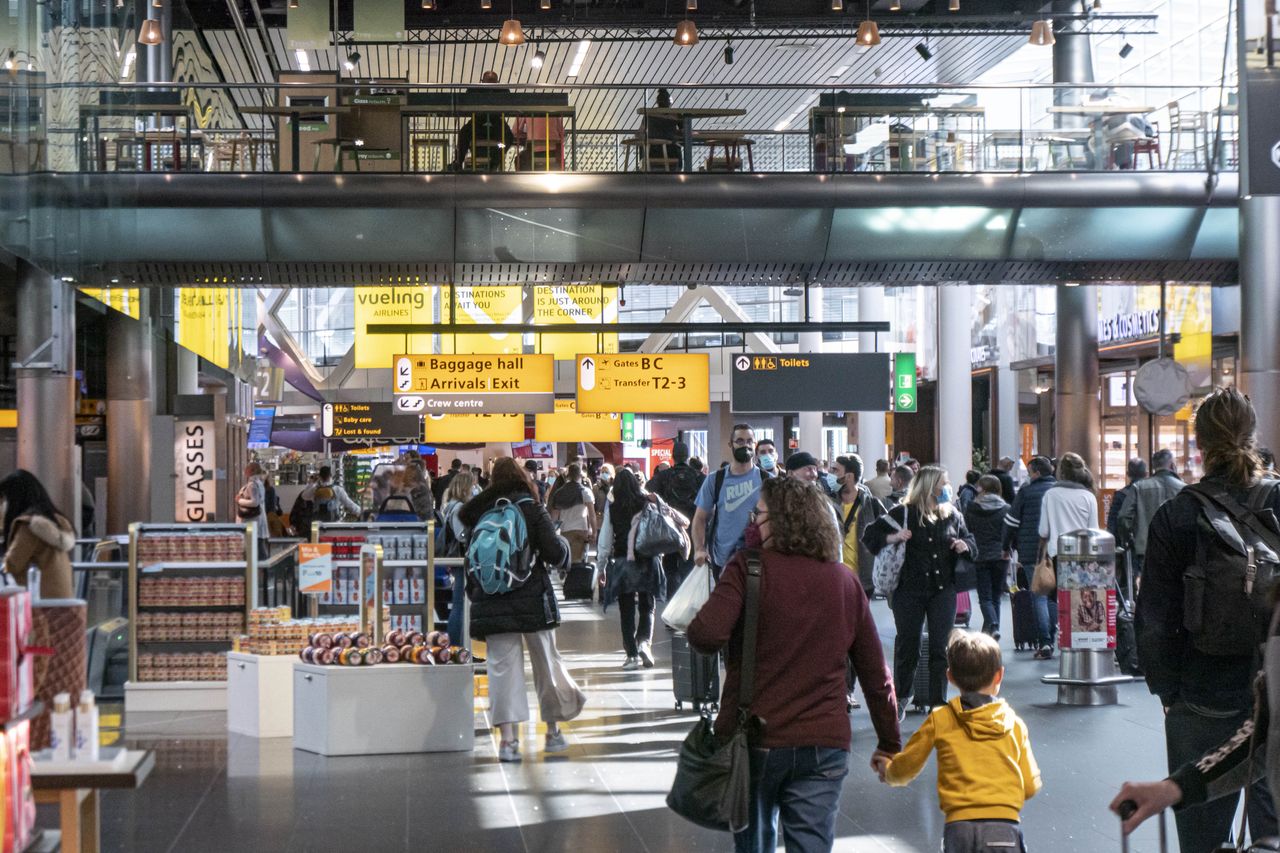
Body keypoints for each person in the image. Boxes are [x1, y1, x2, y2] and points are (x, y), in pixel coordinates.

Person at [688, 476, 901, 853]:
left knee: (753, 845)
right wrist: (888, 742)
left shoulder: (746, 569)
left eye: (760, 514)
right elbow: (875, 674)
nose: (754, 523)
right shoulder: (844, 582)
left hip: (754, 740)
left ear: (784, 521)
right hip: (824, 742)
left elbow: (705, 635)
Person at [1136, 387, 1280, 852]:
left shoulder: (1177, 514)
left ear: (1197, 444)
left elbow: (1155, 621)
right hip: (1274, 693)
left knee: (1201, 835)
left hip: (1203, 693)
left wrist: (1169, 693)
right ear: (1253, 436)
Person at [458, 458, 584, 763]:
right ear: (521, 478)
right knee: (545, 664)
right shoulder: (530, 508)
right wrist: (566, 551)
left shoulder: (479, 513)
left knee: (501, 669)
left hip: (492, 601)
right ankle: (552, 731)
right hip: (532, 598)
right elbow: (554, 552)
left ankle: (508, 741)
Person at [877, 630, 1041, 853]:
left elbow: (906, 767)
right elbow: (1030, 786)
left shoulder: (940, 719)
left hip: (959, 830)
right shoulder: (1014, 724)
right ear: (999, 675)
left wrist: (888, 771)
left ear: (950, 677)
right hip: (1005, 829)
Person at [864, 466, 976, 716]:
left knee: (941, 647)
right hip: (908, 590)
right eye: (943, 484)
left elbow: (971, 542)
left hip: (943, 590)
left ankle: (939, 700)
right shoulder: (903, 513)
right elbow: (870, 536)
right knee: (909, 644)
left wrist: (963, 545)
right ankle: (903, 696)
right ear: (929, 487)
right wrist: (894, 538)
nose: (947, 488)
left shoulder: (952, 515)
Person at [597, 468, 666, 670]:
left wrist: (601, 567)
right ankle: (645, 642)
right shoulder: (647, 502)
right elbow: (656, 530)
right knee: (647, 605)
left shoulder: (613, 507)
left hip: (623, 560)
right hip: (647, 559)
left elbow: (605, 540)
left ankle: (632, 655)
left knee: (626, 609)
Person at [1033, 452, 1098, 660]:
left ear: (1060, 472)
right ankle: (1079, 643)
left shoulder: (1051, 495)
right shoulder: (1089, 496)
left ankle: (1060, 640)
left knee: (1057, 599)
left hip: (1057, 554)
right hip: (1084, 557)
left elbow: (1043, 530)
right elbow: (1094, 530)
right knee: (1082, 600)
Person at [1002, 456, 1057, 656]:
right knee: (1054, 596)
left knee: (1040, 595)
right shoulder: (1058, 490)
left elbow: (1012, 522)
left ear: (1036, 472)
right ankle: (1055, 632)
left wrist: (1005, 546)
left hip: (1032, 551)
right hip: (1059, 551)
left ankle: (1045, 641)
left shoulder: (1026, 492)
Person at [691, 424, 764, 576]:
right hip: (723, 560)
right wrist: (699, 549)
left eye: (750, 441)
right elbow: (700, 518)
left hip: (758, 559)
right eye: (740, 441)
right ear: (731, 444)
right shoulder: (715, 480)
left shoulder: (766, 480)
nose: (746, 445)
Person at [0, 470, 75, 599]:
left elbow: (12, 564)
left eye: (3, 500)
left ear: (15, 499)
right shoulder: (56, 520)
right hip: (62, 602)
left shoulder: (30, 527)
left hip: (39, 605)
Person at [1116, 448, 1184, 580]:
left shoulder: (1139, 487)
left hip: (1145, 549)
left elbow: (1123, 517)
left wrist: (1129, 540)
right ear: (1172, 465)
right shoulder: (1183, 488)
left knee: (1148, 588)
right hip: (1177, 550)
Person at [647, 442, 703, 588]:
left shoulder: (664, 476)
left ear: (673, 456)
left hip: (670, 527)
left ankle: (671, 595)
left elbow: (649, 491)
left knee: (670, 563)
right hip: (692, 526)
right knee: (689, 562)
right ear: (687, 456)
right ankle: (687, 593)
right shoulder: (699, 477)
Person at [963, 475, 1011, 640]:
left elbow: (967, 530)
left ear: (981, 488)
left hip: (979, 555)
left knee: (984, 596)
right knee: (996, 596)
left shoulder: (971, 508)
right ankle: (992, 628)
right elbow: (1008, 533)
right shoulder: (1005, 509)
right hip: (1001, 555)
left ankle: (992, 626)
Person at [833, 454, 886, 595]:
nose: (831, 474)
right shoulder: (827, 503)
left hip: (863, 580)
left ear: (849, 476)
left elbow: (888, 533)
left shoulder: (872, 505)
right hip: (835, 577)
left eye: (836, 470)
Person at [450, 70, 517, 172]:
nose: (490, 84)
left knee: (508, 138)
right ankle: (459, 161)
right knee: (463, 134)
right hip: (483, 123)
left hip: (491, 123)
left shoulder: (477, 89)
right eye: (489, 81)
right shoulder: (499, 90)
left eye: (492, 82)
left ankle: (494, 162)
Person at [441, 471, 476, 645]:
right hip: (460, 558)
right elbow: (461, 535)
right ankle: (456, 645)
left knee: (461, 603)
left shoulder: (451, 506)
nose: (474, 489)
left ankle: (461, 644)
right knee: (460, 604)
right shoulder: (459, 508)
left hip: (457, 559)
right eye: (472, 486)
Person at [547, 463, 596, 564]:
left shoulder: (559, 493)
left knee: (568, 562)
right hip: (581, 531)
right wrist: (594, 532)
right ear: (580, 475)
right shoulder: (585, 492)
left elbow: (554, 517)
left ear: (568, 475)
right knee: (578, 562)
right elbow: (592, 515)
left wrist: (552, 534)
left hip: (565, 532)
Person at [1106, 457, 1148, 544]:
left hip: (1126, 542)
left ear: (1127, 473)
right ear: (1146, 474)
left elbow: (1112, 522)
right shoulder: (1150, 493)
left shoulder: (1120, 494)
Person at [641, 88, 683, 171]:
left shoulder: (649, 114)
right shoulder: (676, 114)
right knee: (677, 148)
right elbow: (684, 131)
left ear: (657, 102)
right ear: (669, 102)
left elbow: (640, 132)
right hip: (671, 151)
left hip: (651, 151)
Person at [236, 462, 269, 558]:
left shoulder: (252, 485)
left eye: (247, 468)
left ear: (251, 471)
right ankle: (265, 571)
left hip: (252, 521)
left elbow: (255, 502)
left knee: (256, 547)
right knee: (259, 547)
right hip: (258, 520)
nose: (244, 470)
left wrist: (240, 500)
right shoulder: (259, 483)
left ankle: (263, 570)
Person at [592, 464, 613, 528]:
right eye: (602, 472)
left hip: (611, 518)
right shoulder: (596, 487)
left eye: (606, 472)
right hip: (599, 519)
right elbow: (593, 505)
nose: (604, 474)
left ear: (611, 474)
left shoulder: (613, 487)